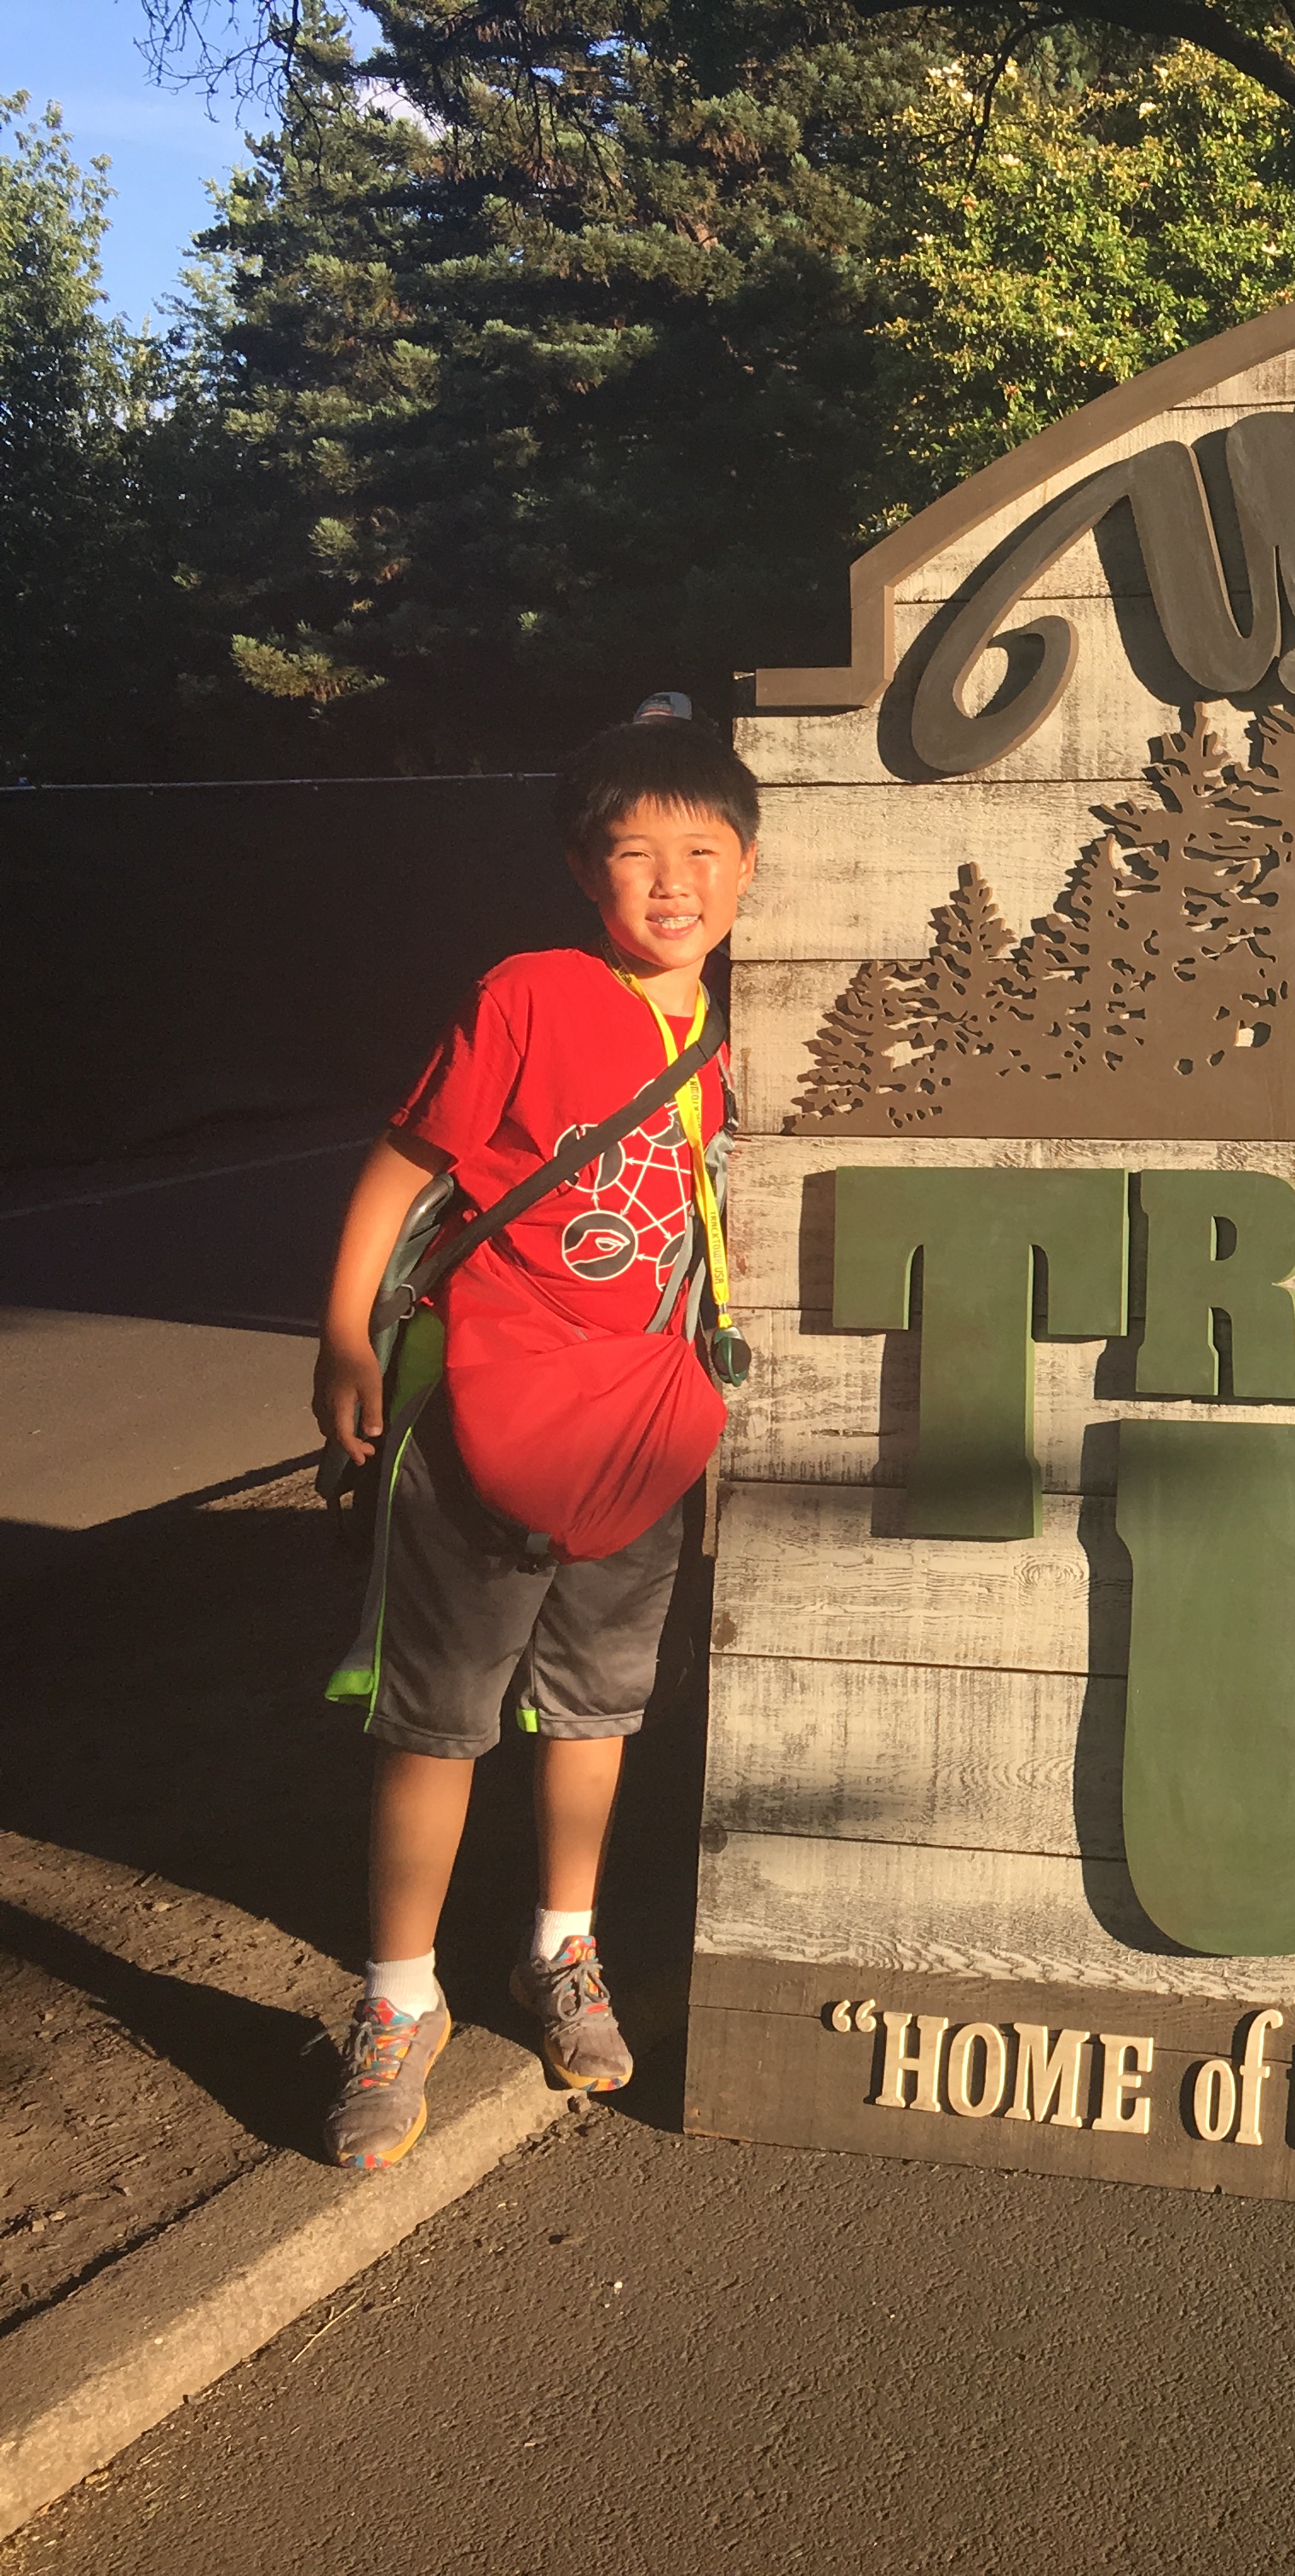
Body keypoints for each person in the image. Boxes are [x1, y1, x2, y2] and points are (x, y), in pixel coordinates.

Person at [309, 708, 757, 2170]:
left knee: (595, 1709)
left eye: (704, 851)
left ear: (749, 866)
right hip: (479, 1413)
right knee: (434, 1717)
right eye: (636, 854)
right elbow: (407, 1159)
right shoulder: (531, 993)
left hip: (642, 1428)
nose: (672, 882)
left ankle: (562, 1947)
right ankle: (398, 1998)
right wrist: (344, 1334)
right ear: (581, 867)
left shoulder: (751, 1022)